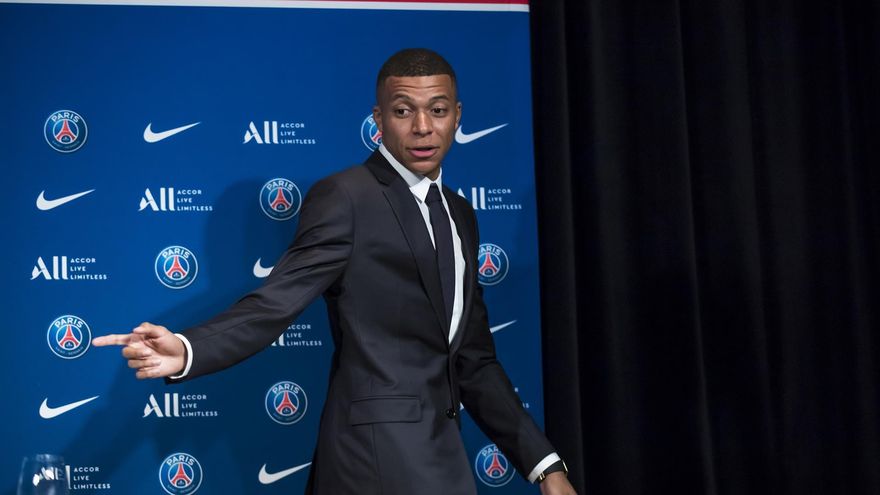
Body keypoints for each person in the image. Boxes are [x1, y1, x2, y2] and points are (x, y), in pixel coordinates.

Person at [94, 48, 576, 495]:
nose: (423, 127)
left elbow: (472, 358)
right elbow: (275, 303)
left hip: (443, 455)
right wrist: (189, 348)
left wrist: (545, 466)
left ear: (458, 116)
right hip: (372, 459)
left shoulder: (460, 214)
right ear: (378, 120)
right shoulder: (347, 197)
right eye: (403, 111)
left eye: (438, 110)